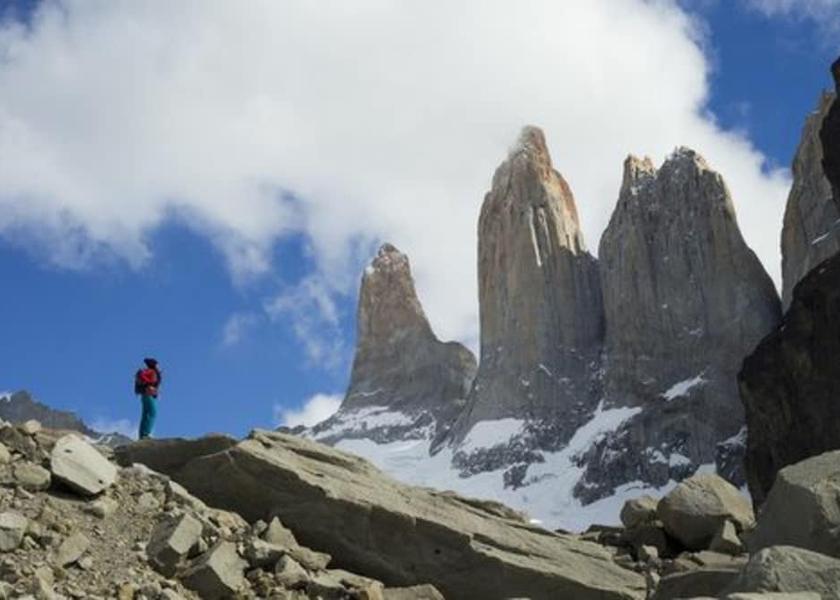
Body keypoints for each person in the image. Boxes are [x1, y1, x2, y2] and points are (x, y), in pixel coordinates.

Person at [134, 357, 162, 439]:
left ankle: (142, 435)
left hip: (145, 394)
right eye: (157, 364)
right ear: (154, 365)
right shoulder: (151, 371)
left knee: (146, 414)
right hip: (148, 394)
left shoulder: (149, 371)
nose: (158, 366)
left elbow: (141, 377)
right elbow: (143, 377)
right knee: (152, 413)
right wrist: (149, 384)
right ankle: (145, 434)